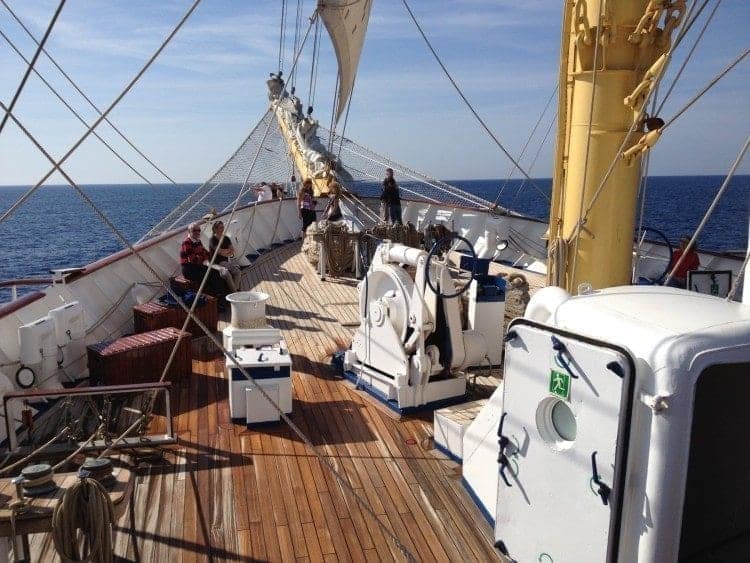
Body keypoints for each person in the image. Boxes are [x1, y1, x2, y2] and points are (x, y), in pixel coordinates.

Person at [179, 223, 230, 299]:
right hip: (189, 269)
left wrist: (212, 257)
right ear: (189, 231)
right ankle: (217, 298)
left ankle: (221, 294)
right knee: (210, 274)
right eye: (194, 230)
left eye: (198, 230)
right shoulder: (186, 243)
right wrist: (204, 258)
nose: (197, 232)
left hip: (198, 266)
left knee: (216, 272)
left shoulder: (198, 241)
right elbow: (193, 259)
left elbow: (205, 253)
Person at [209, 221, 241, 292]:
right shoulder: (213, 240)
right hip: (216, 263)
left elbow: (232, 250)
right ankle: (235, 292)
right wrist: (227, 251)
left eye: (223, 227)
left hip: (225, 262)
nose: (223, 229)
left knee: (238, 272)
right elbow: (220, 251)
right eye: (221, 227)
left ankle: (235, 290)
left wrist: (225, 252)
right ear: (215, 229)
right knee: (227, 274)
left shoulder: (226, 238)